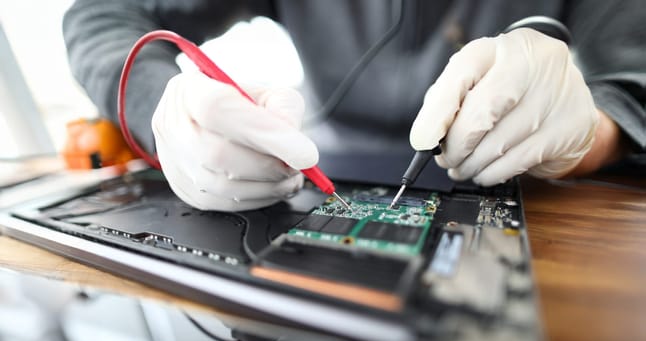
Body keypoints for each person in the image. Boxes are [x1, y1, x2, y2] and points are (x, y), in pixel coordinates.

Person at [63, 1, 645, 211]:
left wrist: (592, 131)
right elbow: (102, 15)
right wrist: (161, 104)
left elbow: (630, 85)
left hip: (530, 190)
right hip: (313, 168)